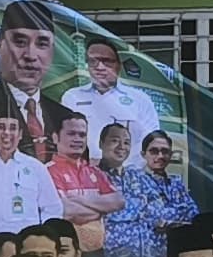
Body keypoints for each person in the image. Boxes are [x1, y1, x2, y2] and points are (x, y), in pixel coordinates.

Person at [60, 35, 164, 181]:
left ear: (118, 66)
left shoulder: (140, 100)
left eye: (106, 61)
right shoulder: (72, 97)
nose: (99, 67)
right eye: (93, 61)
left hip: (129, 178)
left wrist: (121, 168)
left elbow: (150, 144)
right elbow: (64, 140)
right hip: (82, 178)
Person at [0, 8, 71, 154]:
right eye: (20, 42)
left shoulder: (64, 117)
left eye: (42, 44)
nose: (30, 55)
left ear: (52, 52)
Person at [0, 108, 66, 246]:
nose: (7, 133)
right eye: (1, 127)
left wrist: (43, 240)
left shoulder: (35, 167)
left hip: (25, 250)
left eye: (13, 128)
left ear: (20, 134)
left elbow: (52, 208)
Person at [44, 110, 121, 257]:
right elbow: (67, 211)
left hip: (98, 254)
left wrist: (79, 200)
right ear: (55, 137)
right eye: (71, 134)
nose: (77, 139)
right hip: (63, 254)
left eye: (82, 135)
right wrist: (100, 209)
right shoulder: (47, 171)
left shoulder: (95, 172)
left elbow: (117, 202)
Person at [116, 129, 200, 257]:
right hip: (146, 253)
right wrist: (178, 216)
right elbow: (151, 216)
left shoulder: (176, 183)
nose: (160, 156)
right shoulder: (132, 178)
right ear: (144, 154)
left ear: (171, 155)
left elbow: (193, 214)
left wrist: (168, 219)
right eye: (154, 151)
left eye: (165, 151)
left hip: (176, 253)